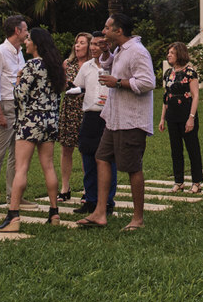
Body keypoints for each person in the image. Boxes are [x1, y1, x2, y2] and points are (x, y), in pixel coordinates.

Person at [75, 13, 155, 231]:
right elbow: (110, 65)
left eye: (107, 28)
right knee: (101, 157)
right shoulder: (120, 50)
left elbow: (148, 82)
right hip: (114, 118)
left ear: (119, 31)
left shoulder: (138, 51)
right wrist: (107, 52)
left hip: (131, 119)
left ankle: (137, 218)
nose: (103, 31)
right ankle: (100, 212)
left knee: (132, 167)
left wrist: (118, 82)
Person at [0, 27, 66, 231]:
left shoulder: (31, 66)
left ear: (36, 44)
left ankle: (13, 215)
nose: (26, 42)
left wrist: (17, 81)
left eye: (28, 40)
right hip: (50, 121)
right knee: (48, 166)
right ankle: (54, 212)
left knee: (21, 167)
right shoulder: (54, 66)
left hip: (30, 122)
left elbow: (20, 96)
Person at [0, 14, 28, 216]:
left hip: (20, 106)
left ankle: (13, 196)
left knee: (16, 155)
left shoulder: (20, 52)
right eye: (25, 29)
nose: (27, 33)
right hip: (6, 106)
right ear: (17, 31)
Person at [72, 33, 118, 215]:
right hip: (90, 116)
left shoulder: (114, 65)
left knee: (107, 159)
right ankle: (90, 200)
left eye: (98, 45)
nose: (93, 48)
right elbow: (79, 87)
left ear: (106, 46)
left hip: (107, 116)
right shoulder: (86, 67)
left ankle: (107, 202)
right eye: (91, 44)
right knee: (88, 158)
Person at [159, 42, 203, 192]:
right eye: (168, 52)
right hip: (172, 115)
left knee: (192, 148)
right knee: (176, 149)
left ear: (180, 54)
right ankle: (178, 181)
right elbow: (166, 97)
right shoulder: (168, 73)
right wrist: (162, 118)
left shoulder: (190, 72)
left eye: (172, 52)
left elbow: (195, 95)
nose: (169, 55)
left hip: (186, 113)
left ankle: (197, 181)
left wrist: (191, 117)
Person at [56, 32, 91, 202]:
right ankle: (65, 187)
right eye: (76, 43)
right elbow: (61, 86)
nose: (77, 46)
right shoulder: (67, 64)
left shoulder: (93, 65)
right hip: (69, 108)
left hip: (86, 109)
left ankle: (88, 188)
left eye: (82, 43)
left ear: (89, 46)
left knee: (85, 150)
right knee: (66, 148)